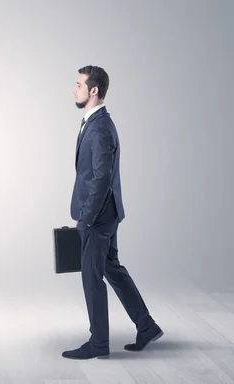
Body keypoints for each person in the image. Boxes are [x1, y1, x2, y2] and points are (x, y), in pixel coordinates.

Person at [62, 65, 163, 359]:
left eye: (79, 84)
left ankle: (99, 343)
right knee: (113, 270)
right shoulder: (94, 123)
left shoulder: (101, 128)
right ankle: (146, 326)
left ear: (94, 90)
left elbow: (101, 178)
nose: (74, 88)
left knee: (92, 278)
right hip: (107, 213)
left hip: (98, 217)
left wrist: (86, 218)